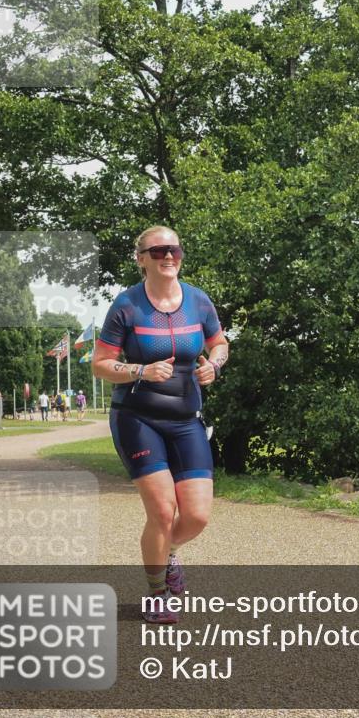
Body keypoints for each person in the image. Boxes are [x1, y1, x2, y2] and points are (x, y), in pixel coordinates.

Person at [92, 226, 228, 624]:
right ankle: (157, 594)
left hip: (187, 419)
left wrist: (214, 366)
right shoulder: (126, 306)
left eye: (176, 250)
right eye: (159, 251)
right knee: (163, 510)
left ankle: (166, 554)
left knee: (198, 515)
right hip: (137, 418)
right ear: (141, 259)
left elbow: (219, 343)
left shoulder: (199, 301)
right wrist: (139, 370)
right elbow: (100, 364)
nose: (169, 256)